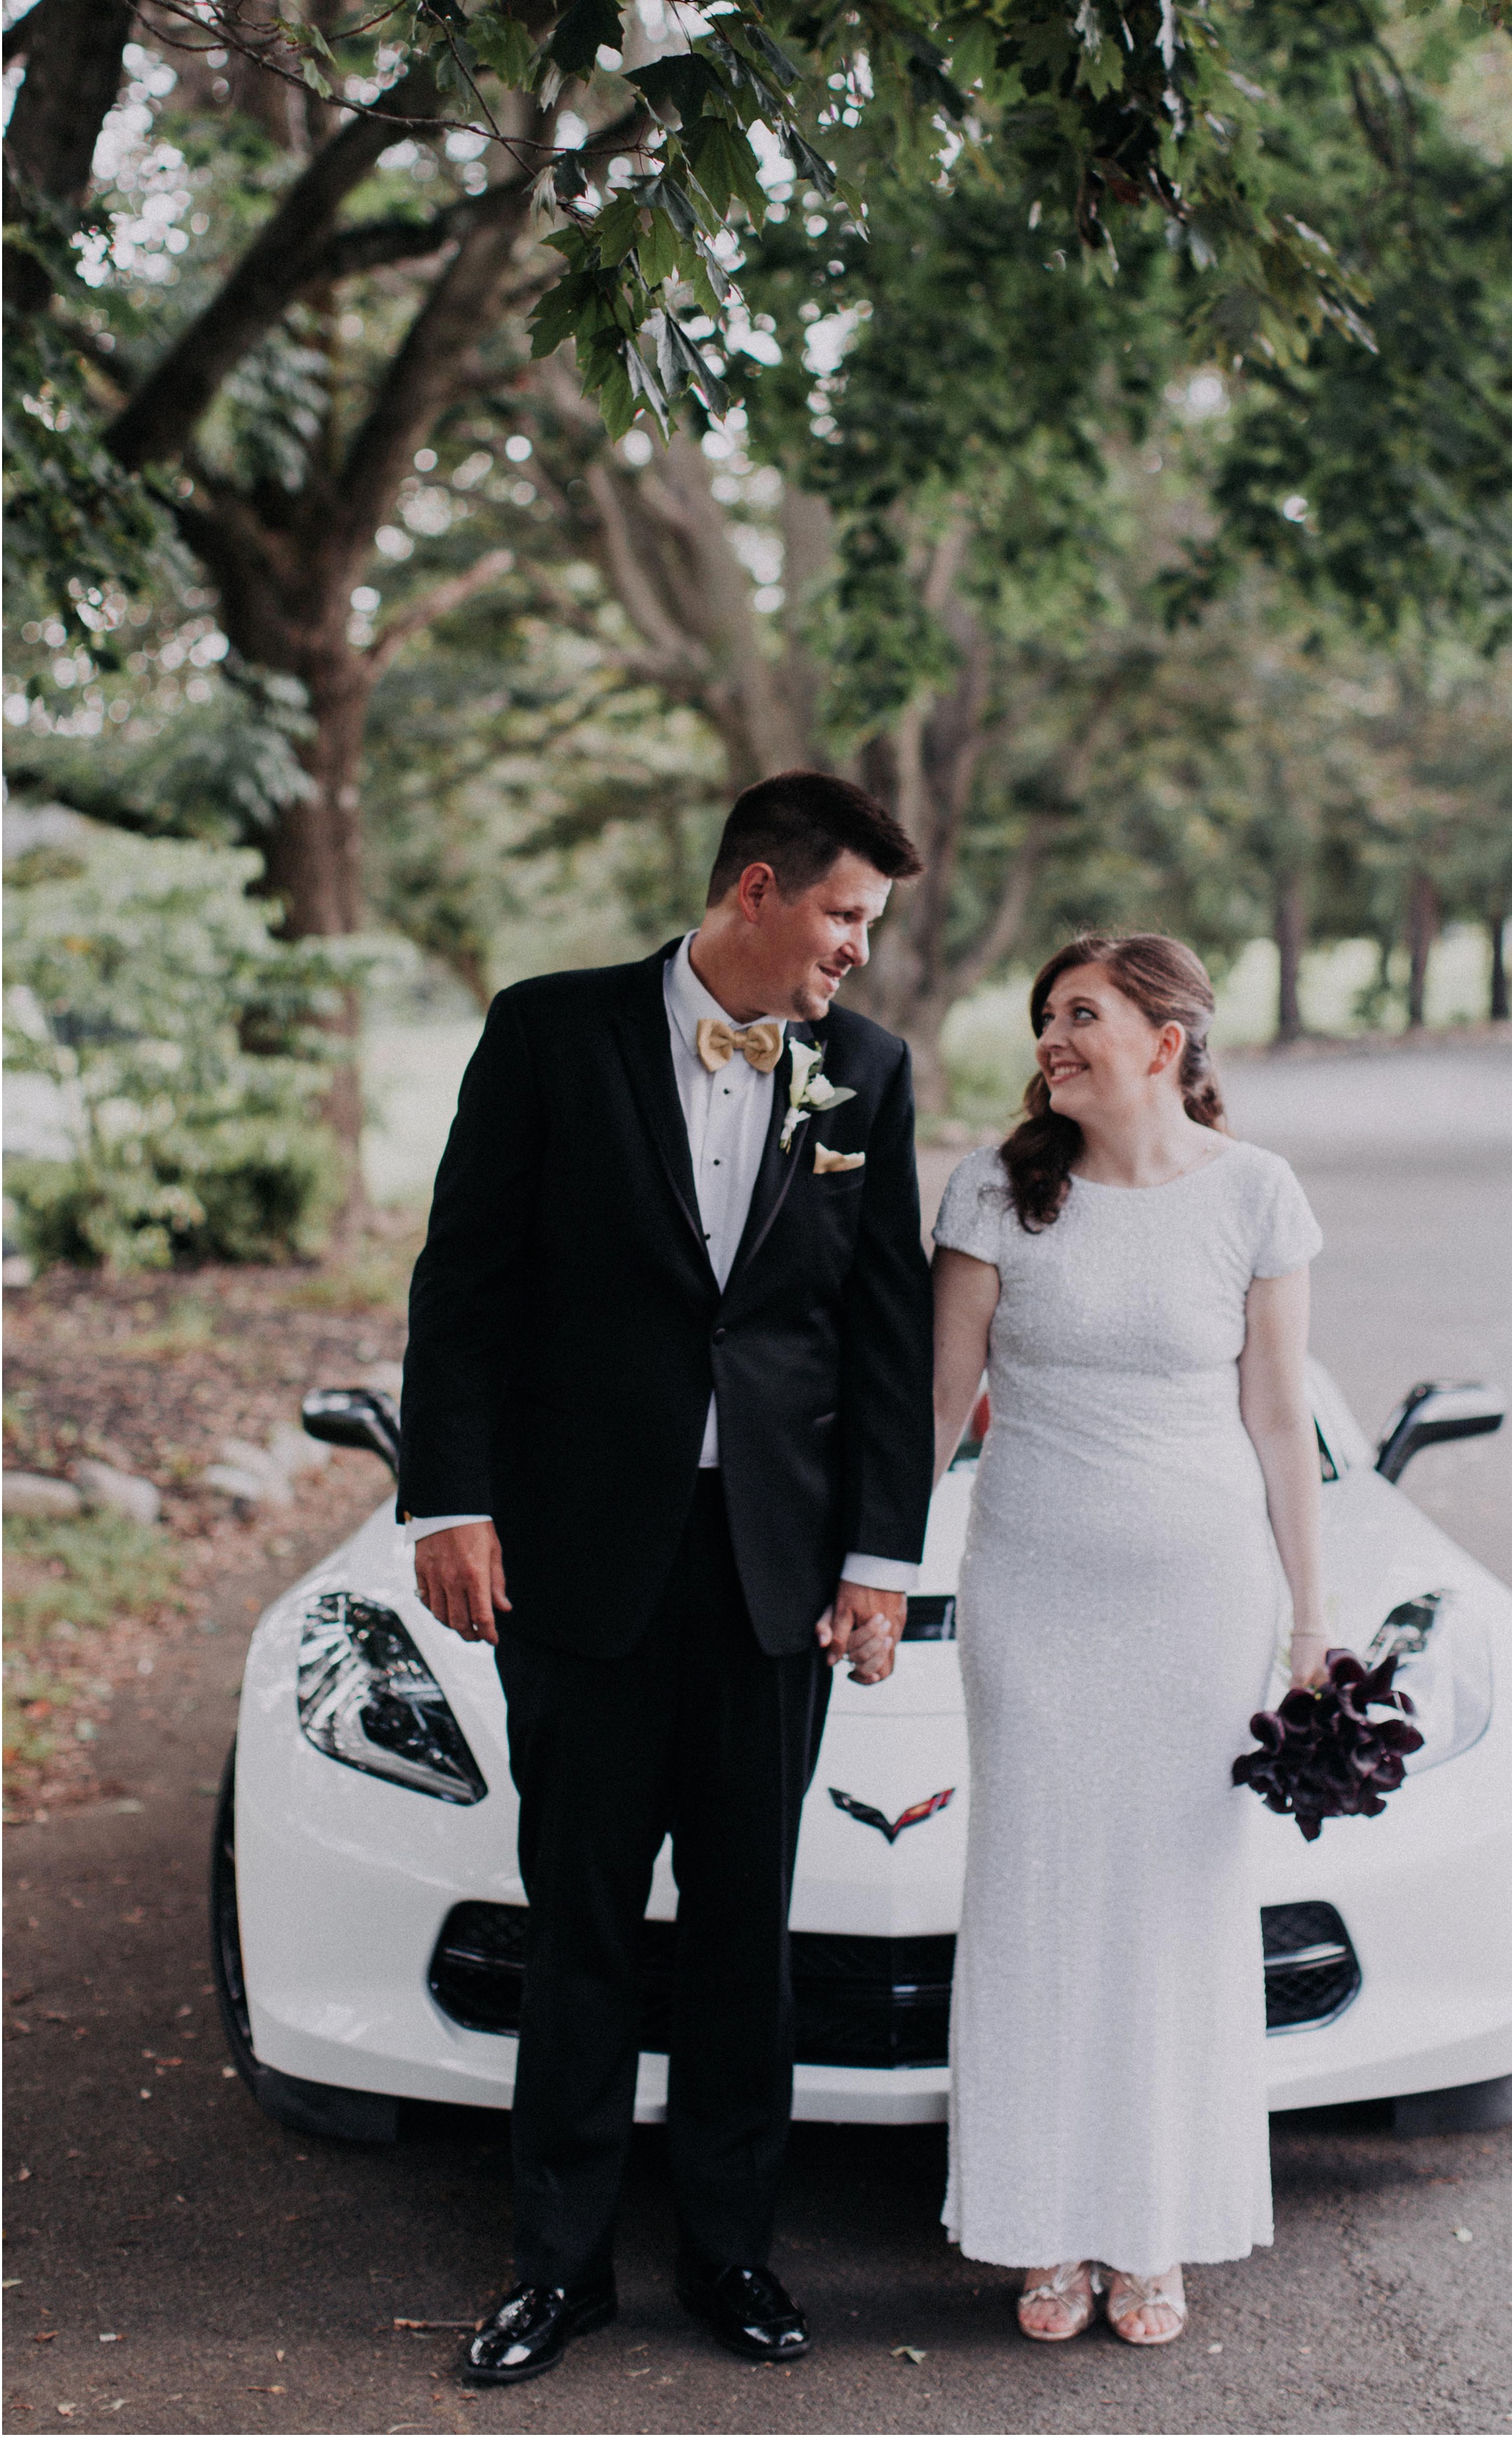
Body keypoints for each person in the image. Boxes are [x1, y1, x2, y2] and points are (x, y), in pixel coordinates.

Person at [397, 771, 935, 2386]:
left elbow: (885, 1329)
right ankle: (555, 2270)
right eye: (843, 913)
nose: (855, 948)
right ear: (755, 889)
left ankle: (731, 2252)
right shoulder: (549, 1031)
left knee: (740, 1929)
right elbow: (463, 1279)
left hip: (772, 1568)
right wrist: (450, 1497)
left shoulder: (865, 1072)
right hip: (577, 1557)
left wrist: (878, 1558)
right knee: (577, 1920)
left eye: (870, 925)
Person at [928, 933, 1326, 2347]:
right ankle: (1038, 2227)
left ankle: (1152, 2229)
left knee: (1171, 1909)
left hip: (1197, 1607)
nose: (1051, 1033)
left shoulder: (1255, 1194)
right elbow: (936, 1407)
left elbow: (1279, 1420)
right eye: (1044, 1013)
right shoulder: (992, 1187)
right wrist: (872, 1573)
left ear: (1166, 1038)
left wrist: (1307, 1624)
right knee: (1038, 1900)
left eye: (1080, 1012)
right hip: (1030, 1595)